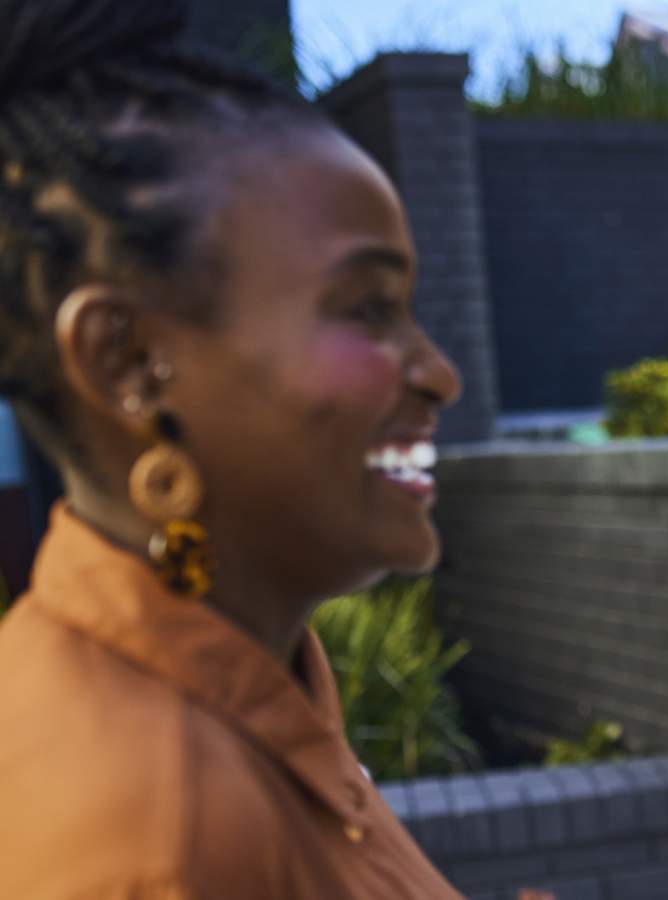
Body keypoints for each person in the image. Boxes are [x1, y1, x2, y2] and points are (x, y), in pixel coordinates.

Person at [0, 1, 463, 896]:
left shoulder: (251, 682)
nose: (439, 373)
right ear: (127, 362)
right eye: (367, 308)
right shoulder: (148, 843)